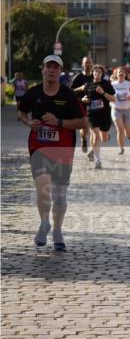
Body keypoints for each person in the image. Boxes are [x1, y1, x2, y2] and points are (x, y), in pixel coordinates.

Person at [18, 54, 88, 251]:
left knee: (59, 195)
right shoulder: (32, 93)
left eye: (55, 67)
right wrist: (28, 122)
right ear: (43, 69)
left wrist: (59, 122)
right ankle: (44, 223)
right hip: (38, 146)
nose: (51, 70)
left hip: (63, 148)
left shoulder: (68, 95)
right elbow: (21, 112)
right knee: (42, 186)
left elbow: (83, 122)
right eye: (48, 67)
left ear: (60, 71)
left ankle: (57, 230)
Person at [82, 65, 115, 169]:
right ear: (92, 73)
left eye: (99, 72)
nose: (97, 73)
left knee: (103, 138)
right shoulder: (88, 85)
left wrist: (103, 92)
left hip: (104, 114)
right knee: (95, 134)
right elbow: (84, 97)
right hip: (92, 114)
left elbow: (113, 99)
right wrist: (83, 99)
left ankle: (107, 136)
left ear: (102, 74)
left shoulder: (106, 84)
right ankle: (98, 160)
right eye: (95, 72)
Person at [110, 67, 130, 155]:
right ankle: (121, 148)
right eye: (119, 72)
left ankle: (129, 136)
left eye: (122, 72)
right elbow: (108, 96)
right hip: (116, 109)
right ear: (116, 74)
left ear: (125, 75)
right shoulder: (112, 85)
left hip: (128, 110)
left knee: (128, 130)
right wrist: (111, 99)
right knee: (120, 130)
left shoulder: (129, 84)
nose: (121, 73)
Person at [70, 56, 93, 152]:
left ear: (92, 64)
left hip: (94, 105)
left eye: (89, 62)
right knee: (85, 129)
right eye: (86, 62)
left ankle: (92, 151)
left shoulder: (95, 76)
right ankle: (83, 139)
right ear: (82, 64)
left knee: (94, 130)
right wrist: (81, 88)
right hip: (81, 105)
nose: (88, 64)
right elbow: (70, 92)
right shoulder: (77, 77)